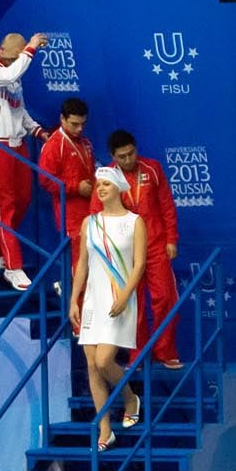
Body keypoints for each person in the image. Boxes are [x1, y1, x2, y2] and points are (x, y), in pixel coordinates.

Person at [69, 166, 145, 449]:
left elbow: (139, 264)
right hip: (92, 300)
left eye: (106, 185)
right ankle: (105, 427)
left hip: (119, 298)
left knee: (104, 361)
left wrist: (125, 295)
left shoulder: (135, 222)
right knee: (91, 365)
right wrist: (73, 299)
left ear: (118, 188)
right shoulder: (90, 223)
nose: (100, 189)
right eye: (98, 185)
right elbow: (83, 264)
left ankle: (129, 397)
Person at [94, 130, 182, 368]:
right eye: (122, 157)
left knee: (165, 297)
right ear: (113, 156)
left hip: (155, 246)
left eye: (131, 153)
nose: (128, 160)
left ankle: (165, 352)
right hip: (125, 253)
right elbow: (96, 214)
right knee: (133, 305)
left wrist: (171, 239)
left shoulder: (152, 169)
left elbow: (166, 206)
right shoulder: (107, 178)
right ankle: (138, 355)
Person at [0, 31, 49, 290]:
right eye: (16, 55)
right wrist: (32, 48)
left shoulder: (12, 70)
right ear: (4, 50)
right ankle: (12, 266)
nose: (19, 60)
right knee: (5, 206)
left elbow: (19, 107)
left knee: (24, 200)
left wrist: (36, 130)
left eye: (21, 56)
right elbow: (10, 75)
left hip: (18, 144)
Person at [37, 98, 95, 282]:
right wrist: (76, 187)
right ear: (62, 119)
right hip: (70, 213)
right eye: (75, 124)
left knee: (93, 261)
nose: (79, 129)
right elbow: (46, 180)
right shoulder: (54, 145)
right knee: (78, 261)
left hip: (91, 210)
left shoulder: (85, 142)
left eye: (83, 124)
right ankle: (76, 304)